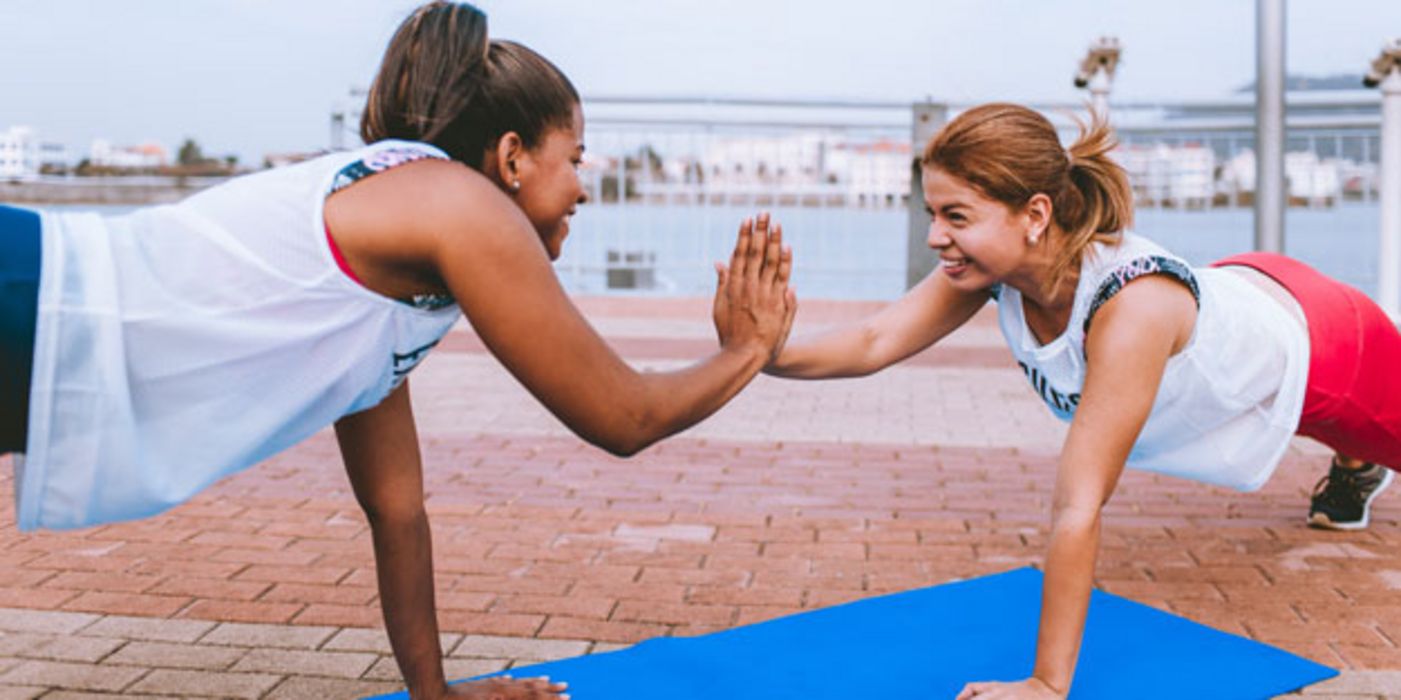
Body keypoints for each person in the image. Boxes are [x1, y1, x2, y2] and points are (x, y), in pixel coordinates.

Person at [0, 3, 796, 699]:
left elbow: (397, 507)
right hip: (35, 296)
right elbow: (623, 417)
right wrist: (747, 348)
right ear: (513, 157)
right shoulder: (457, 205)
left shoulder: (394, 264)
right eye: (575, 159)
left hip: (36, 320)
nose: (584, 188)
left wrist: (431, 690)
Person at [764, 102, 1400, 699]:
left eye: (956, 216)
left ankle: (1357, 461)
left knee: (1360, 426)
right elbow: (876, 340)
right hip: (1243, 288)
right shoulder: (995, 269)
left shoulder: (1132, 307)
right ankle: (1353, 462)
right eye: (932, 214)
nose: (935, 237)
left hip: (1327, 346)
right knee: (1326, 427)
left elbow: (1079, 503)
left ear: (1035, 214)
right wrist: (762, 350)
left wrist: (1046, 685)